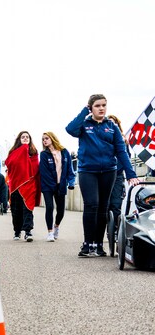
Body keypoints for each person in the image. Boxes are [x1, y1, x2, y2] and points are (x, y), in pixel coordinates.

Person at [66, 94, 139, 257]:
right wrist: (84, 111)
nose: (101, 108)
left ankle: (98, 244)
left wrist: (131, 174)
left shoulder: (112, 127)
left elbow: (121, 151)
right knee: (91, 204)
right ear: (91, 107)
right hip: (87, 171)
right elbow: (70, 129)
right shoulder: (84, 125)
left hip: (108, 171)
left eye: (104, 105)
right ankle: (87, 244)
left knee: (103, 208)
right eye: (97, 105)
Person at [39, 132, 76, 242]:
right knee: (50, 207)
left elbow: (70, 169)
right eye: (43, 139)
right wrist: (53, 186)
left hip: (61, 185)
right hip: (48, 186)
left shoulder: (64, 152)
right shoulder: (44, 154)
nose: (44, 141)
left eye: (46, 138)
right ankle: (50, 232)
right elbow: (44, 173)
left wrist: (71, 182)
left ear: (52, 138)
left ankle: (56, 226)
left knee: (61, 211)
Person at [5, 131, 41, 242]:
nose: (25, 139)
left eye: (27, 137)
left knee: (28, 209)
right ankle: (17, 231)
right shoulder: (14, 152)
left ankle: (28, 231)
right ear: (19, 140)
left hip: (29, 185)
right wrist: (22, 150)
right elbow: (9, 164)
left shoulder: (34, 153)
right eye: (23, 137)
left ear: (30, 139)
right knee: (16, 210)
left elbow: (35, 168)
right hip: (16, 185)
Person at [107, 114, 132, 238]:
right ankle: (106, 230)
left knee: (116, 204)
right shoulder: (104, 139)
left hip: (117, 175)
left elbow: (127, 157)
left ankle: (116, 232)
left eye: (114, 123)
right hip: (105, 174)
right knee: (105, 205)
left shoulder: (123, 140)